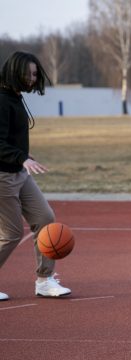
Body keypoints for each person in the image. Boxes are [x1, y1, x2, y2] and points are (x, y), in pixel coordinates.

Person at [0, 51, 71, 301]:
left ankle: (44, 280)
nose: (32, 78)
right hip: (2, 177)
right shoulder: (1, 99)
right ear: (14, 72)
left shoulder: (16, 97)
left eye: (34, 74)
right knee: (11, 234)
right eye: (28, 74)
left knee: (45, 218)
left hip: (18, 172)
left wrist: (23, 156)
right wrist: (21, 157)